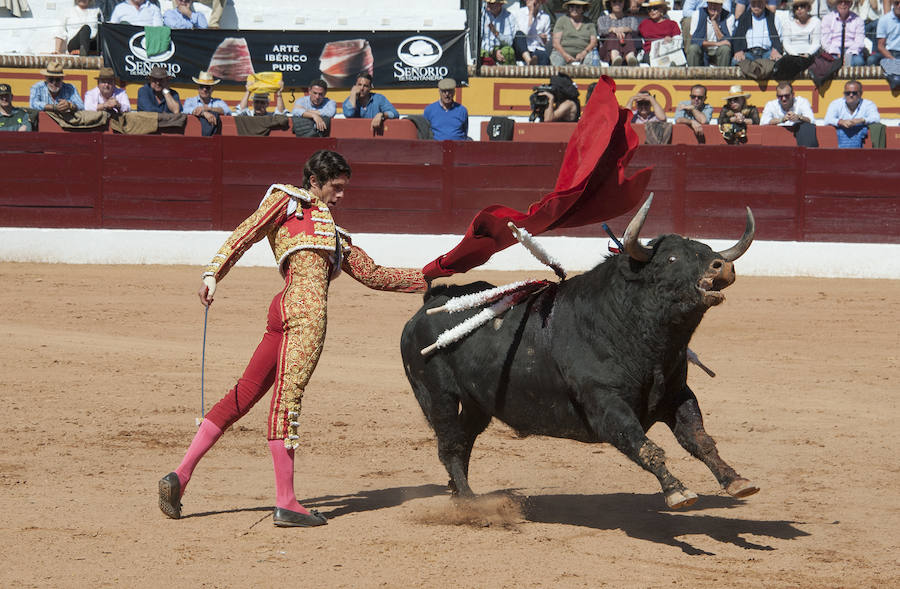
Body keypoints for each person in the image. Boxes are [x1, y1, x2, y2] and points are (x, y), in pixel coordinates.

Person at [158, 149, 427, 527]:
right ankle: (286, 503)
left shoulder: (334, 235)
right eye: (336, 187)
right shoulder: (287, 200)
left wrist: (436, 272)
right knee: (287, 401)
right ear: (314, 182)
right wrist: (212, 273)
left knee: (243, 394)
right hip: (306, 312)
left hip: (281, 308)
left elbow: (376, 275)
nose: (341, 196)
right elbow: (247, 232)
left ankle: (180, 475)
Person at [823, 79, 880, 147]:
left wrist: (861, 120)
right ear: (844, 94)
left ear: (860, 93)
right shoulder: (836, 103)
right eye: (847, 93)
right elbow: (827, 120)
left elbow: (876, 118)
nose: (851, 95)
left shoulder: (868, 104)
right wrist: (840, 122)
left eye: (854, 93)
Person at [760, 82, 819, 147]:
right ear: (777, 96)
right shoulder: (771, 105)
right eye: (780, 96)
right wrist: (781, 120)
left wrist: (799, 117)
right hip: (777, 142)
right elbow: (763, 122)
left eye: (787, 96)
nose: (784, 99)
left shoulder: (802, 101)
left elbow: (811, 120)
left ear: (793, 94)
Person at [732, 0, 784, 64]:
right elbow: (737, 38)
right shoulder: (743, 18)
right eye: (754, 3)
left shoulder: (774, 18)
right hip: (748, 53)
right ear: (750, 3)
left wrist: (775, 50)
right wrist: (739, 51)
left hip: (767, 53)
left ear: (765, 3)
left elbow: (779, 39)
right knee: (735, 61)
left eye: (759, 2)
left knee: (778, 61)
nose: (756, 6)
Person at [550, 0, 600, 66]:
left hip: (584, 52)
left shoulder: (589, 23)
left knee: (592, 59)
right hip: (562, 52)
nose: (574, 9)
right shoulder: (561, 20)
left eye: (578, 7)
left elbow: (593, 42)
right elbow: (556, 43)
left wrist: (584, 53)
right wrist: (565, 55)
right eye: (572, 7)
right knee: (557, 61)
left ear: (583, 9)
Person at [686, 0, 733, 67]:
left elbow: (728, 41)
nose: (713, 6)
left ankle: (723, 77)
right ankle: (694, 76)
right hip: (703, 50)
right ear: (707, 4)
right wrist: (717, 43)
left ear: (721, 5)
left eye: (716, 4)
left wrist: (714, 22)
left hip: (719, 51)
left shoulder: (729, 16)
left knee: (725, 49)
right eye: (710, 4)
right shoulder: (697, 14)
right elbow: (694, 40)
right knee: (693, 48)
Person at [183, 71, 230, 136]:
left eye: (207, 87)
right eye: (202, 87)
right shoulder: (190, 100)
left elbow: (227, 111)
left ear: (212, 89)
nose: (204, 90)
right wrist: (203, 113)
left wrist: (207, 108)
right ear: (198, 88)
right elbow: (185, 110)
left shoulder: (218, 101)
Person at [821, 0, 866, 66]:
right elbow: (825, 41)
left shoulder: (858, 20)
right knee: (831, 64)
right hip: (833, 50)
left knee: (859, 62)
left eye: (846, 1)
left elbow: (859, 41)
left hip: (852, 50)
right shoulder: (827, 18)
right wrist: (837, 53)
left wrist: (847, 54)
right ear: (836, 3)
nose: (843, 4)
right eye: (840, 1)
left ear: (850, 4)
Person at [596, 0, 641, 65]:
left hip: (627, 47)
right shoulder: (602, 19)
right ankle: (615, 57)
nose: (617, 4)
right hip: (607, 52)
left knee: (628, 34)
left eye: (620, 1)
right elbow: (601, 31)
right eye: (614, 2)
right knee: (612, 35)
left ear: (624, 3)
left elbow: (636, 30)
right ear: (610, 4)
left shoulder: (631, 19)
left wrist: (626, 29)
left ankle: (630, 58)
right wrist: (612, 30)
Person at [511, 0, 552, 65]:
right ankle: (528, 61)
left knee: (544, 56)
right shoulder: (519, 13)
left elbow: (546, 42)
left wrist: (543, 39)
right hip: (522, 48)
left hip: (536, 48)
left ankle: (540, 73)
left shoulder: (545, 17)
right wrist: (530, 14)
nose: (534, 2)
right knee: (519, 34)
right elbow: (523, 33)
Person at [481, 0, 519, 64]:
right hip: (486, 47)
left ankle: (507, 73)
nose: (488, 5)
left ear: (500, 4)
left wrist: (497, 34)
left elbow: (509, 42)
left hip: (501, 47)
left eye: (491, 3)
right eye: (487, 2)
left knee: (508, 52)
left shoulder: (509, 17)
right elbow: (478, 39)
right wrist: (492, 51)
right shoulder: (482, 15)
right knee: (481, 53)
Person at [868, 0, 900, 64]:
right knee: (871, 59)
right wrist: (893, 59)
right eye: (897, 3)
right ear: (892, 3)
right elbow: (880, 46)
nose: (899, 6)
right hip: (889, 52)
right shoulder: (884, 20)